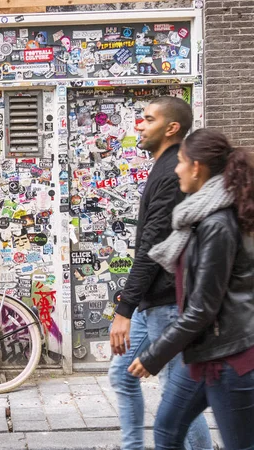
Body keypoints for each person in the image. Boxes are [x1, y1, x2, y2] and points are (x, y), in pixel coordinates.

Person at [129, 128, 254, 450]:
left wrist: (154, 355)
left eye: (181, 162)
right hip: (204, 351)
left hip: (229, 359)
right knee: (168, 429)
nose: (176, 168)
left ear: (197, 167)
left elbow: (202, 308)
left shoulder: (217, 224)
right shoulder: (201, 217)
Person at [107, 97, 212, 450]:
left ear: (172, 128)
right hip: (152, 301)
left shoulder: (171, 173)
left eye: (148, 119)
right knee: (122, 375)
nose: (138, 124)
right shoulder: (164, 167)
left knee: (176, 394)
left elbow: (151, 248)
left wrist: (124, 309)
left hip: (167, 302)